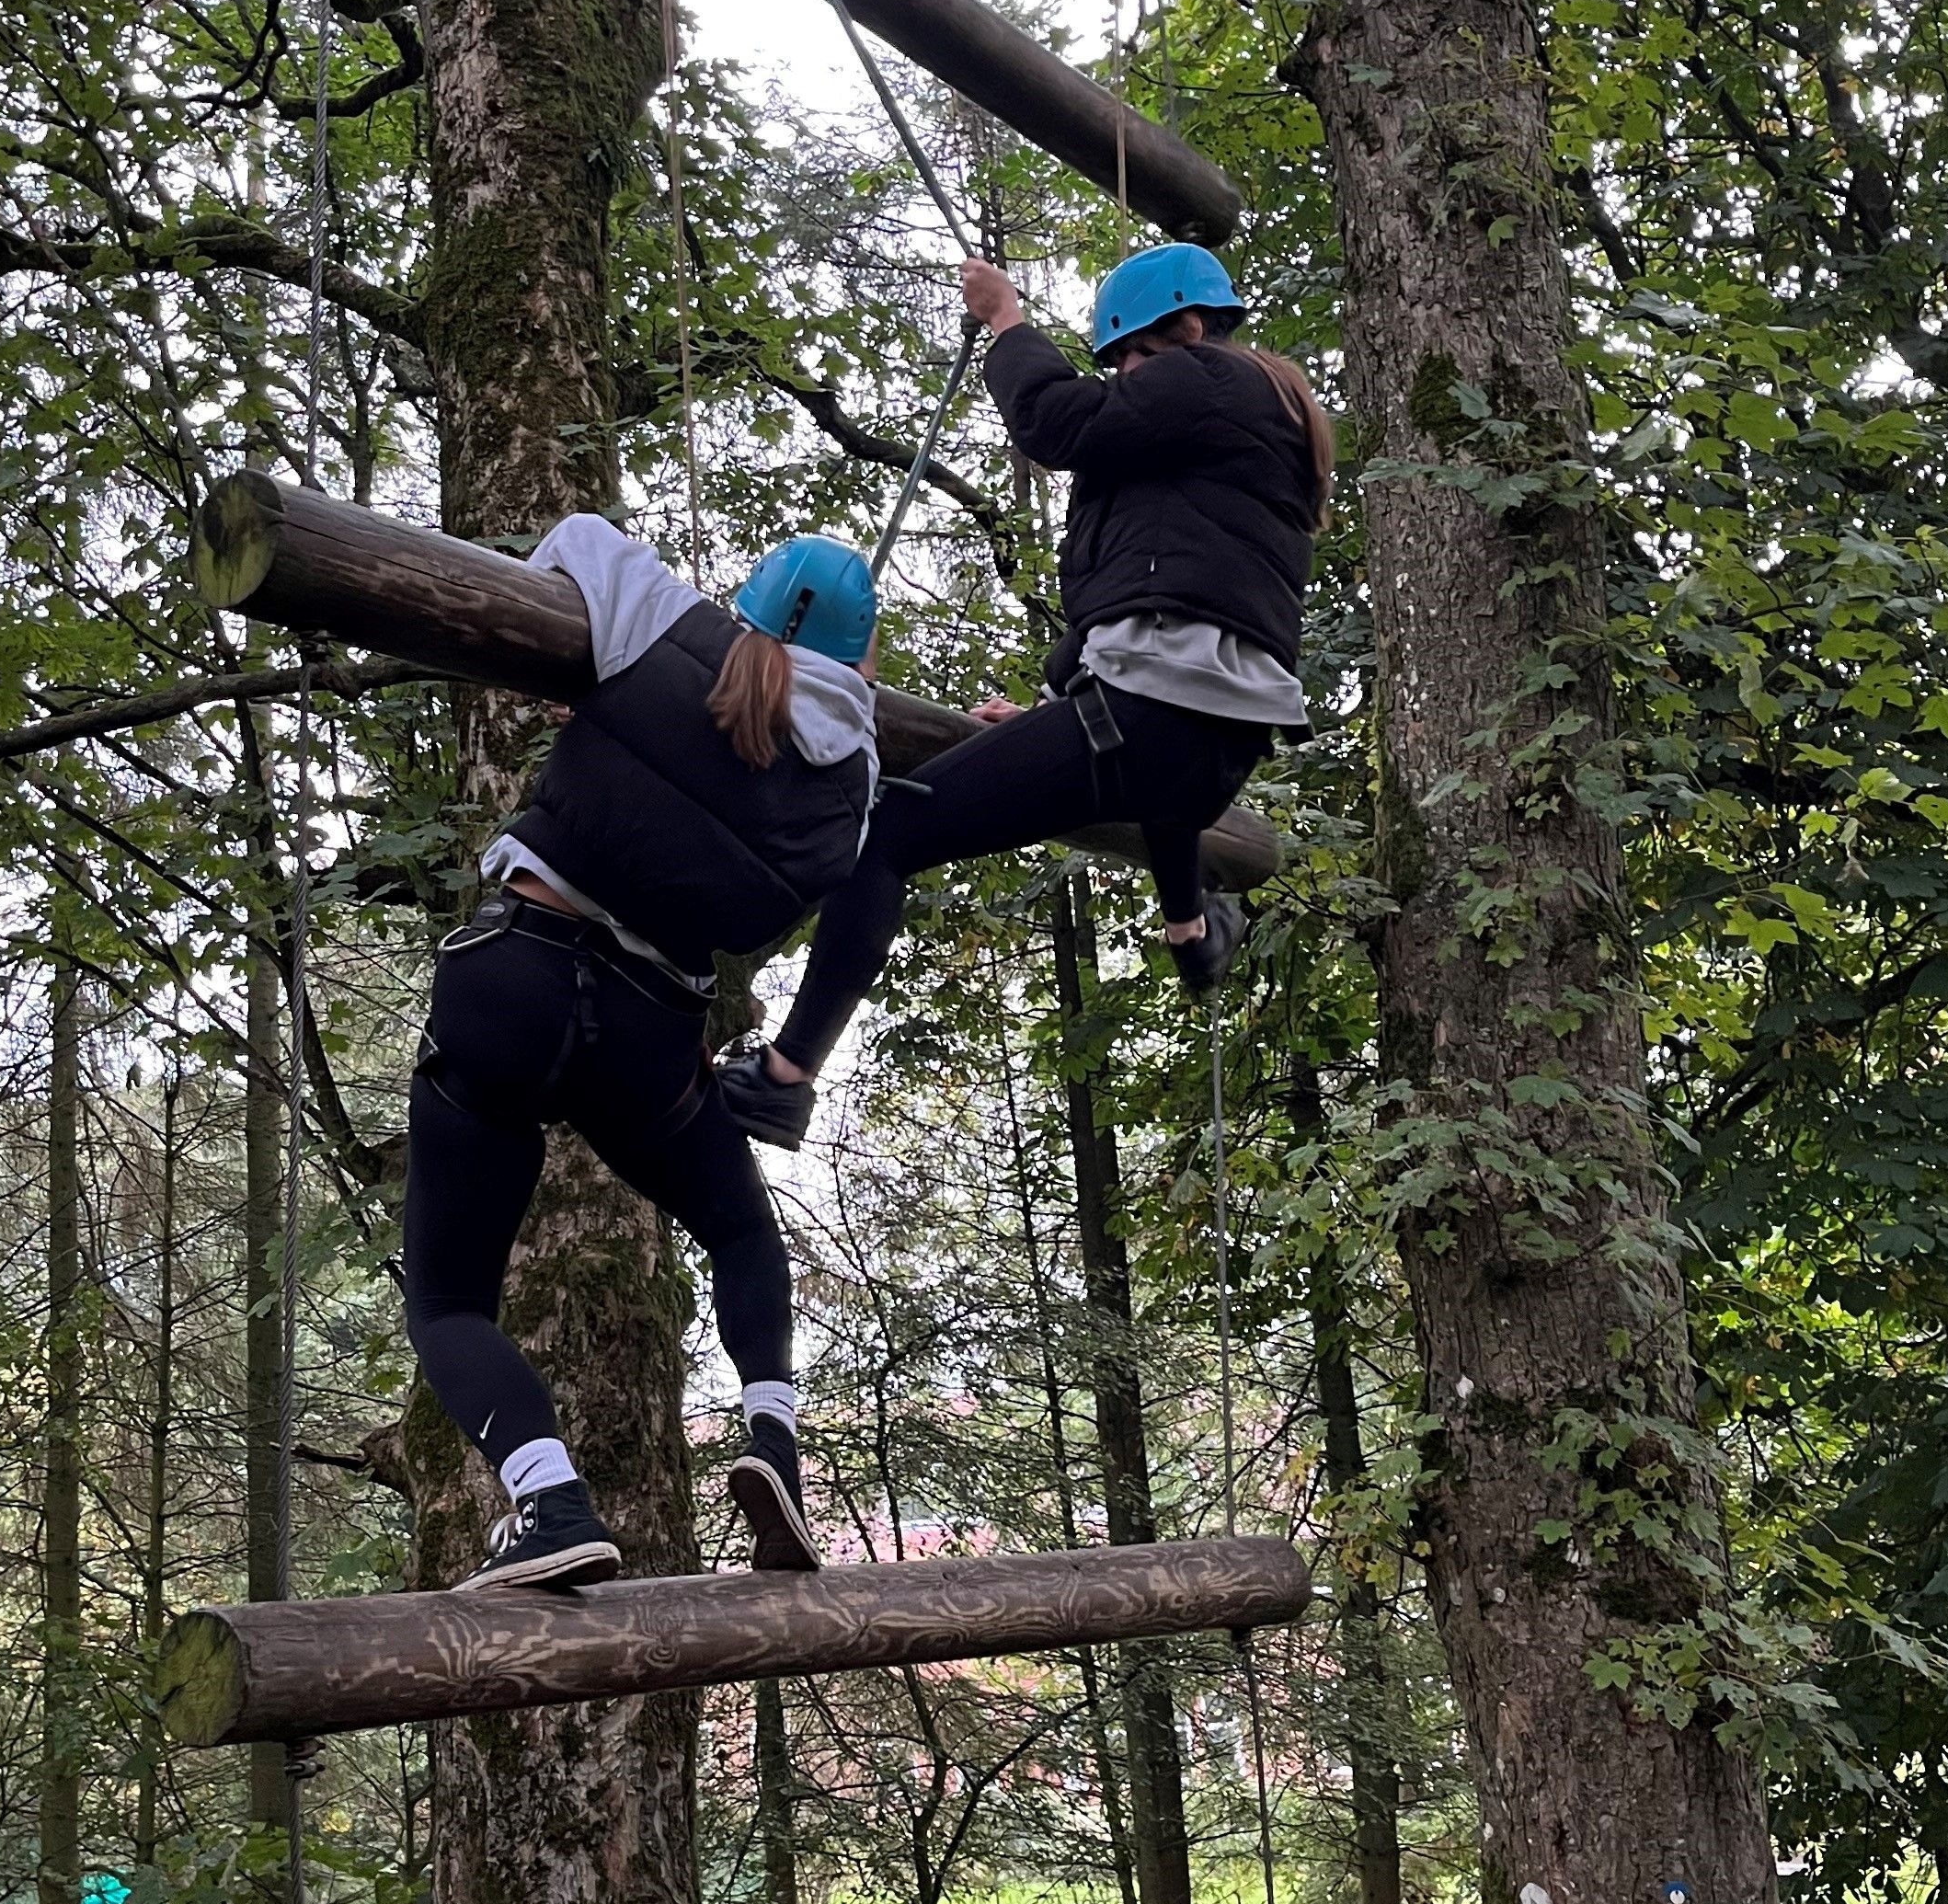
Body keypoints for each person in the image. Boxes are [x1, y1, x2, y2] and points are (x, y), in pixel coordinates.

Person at [722, 245, 1327, 1150]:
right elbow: (1164, 591)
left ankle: (783, 1078)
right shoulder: (1251, 432)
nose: (1123, 382)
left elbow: (1052, 421)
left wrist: (1006, 319)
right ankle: (1193, 928)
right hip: (1209, 742)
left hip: (1153, 715)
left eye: (1127, 360)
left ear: (1183, 330)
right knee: (1155, 797)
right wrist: (1059, 715)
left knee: (884, 839)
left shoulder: (1206, 376)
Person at [405, 511, 880, 1589]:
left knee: (447, 1299)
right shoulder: (852, 786)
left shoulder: (661, 620)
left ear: (749, 597)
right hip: (647, 1030)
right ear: (861, 660)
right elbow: (818, 891)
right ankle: (773, 1446)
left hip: (512, 978)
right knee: (744, 1237)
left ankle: (549, 1498)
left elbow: (573, 534)